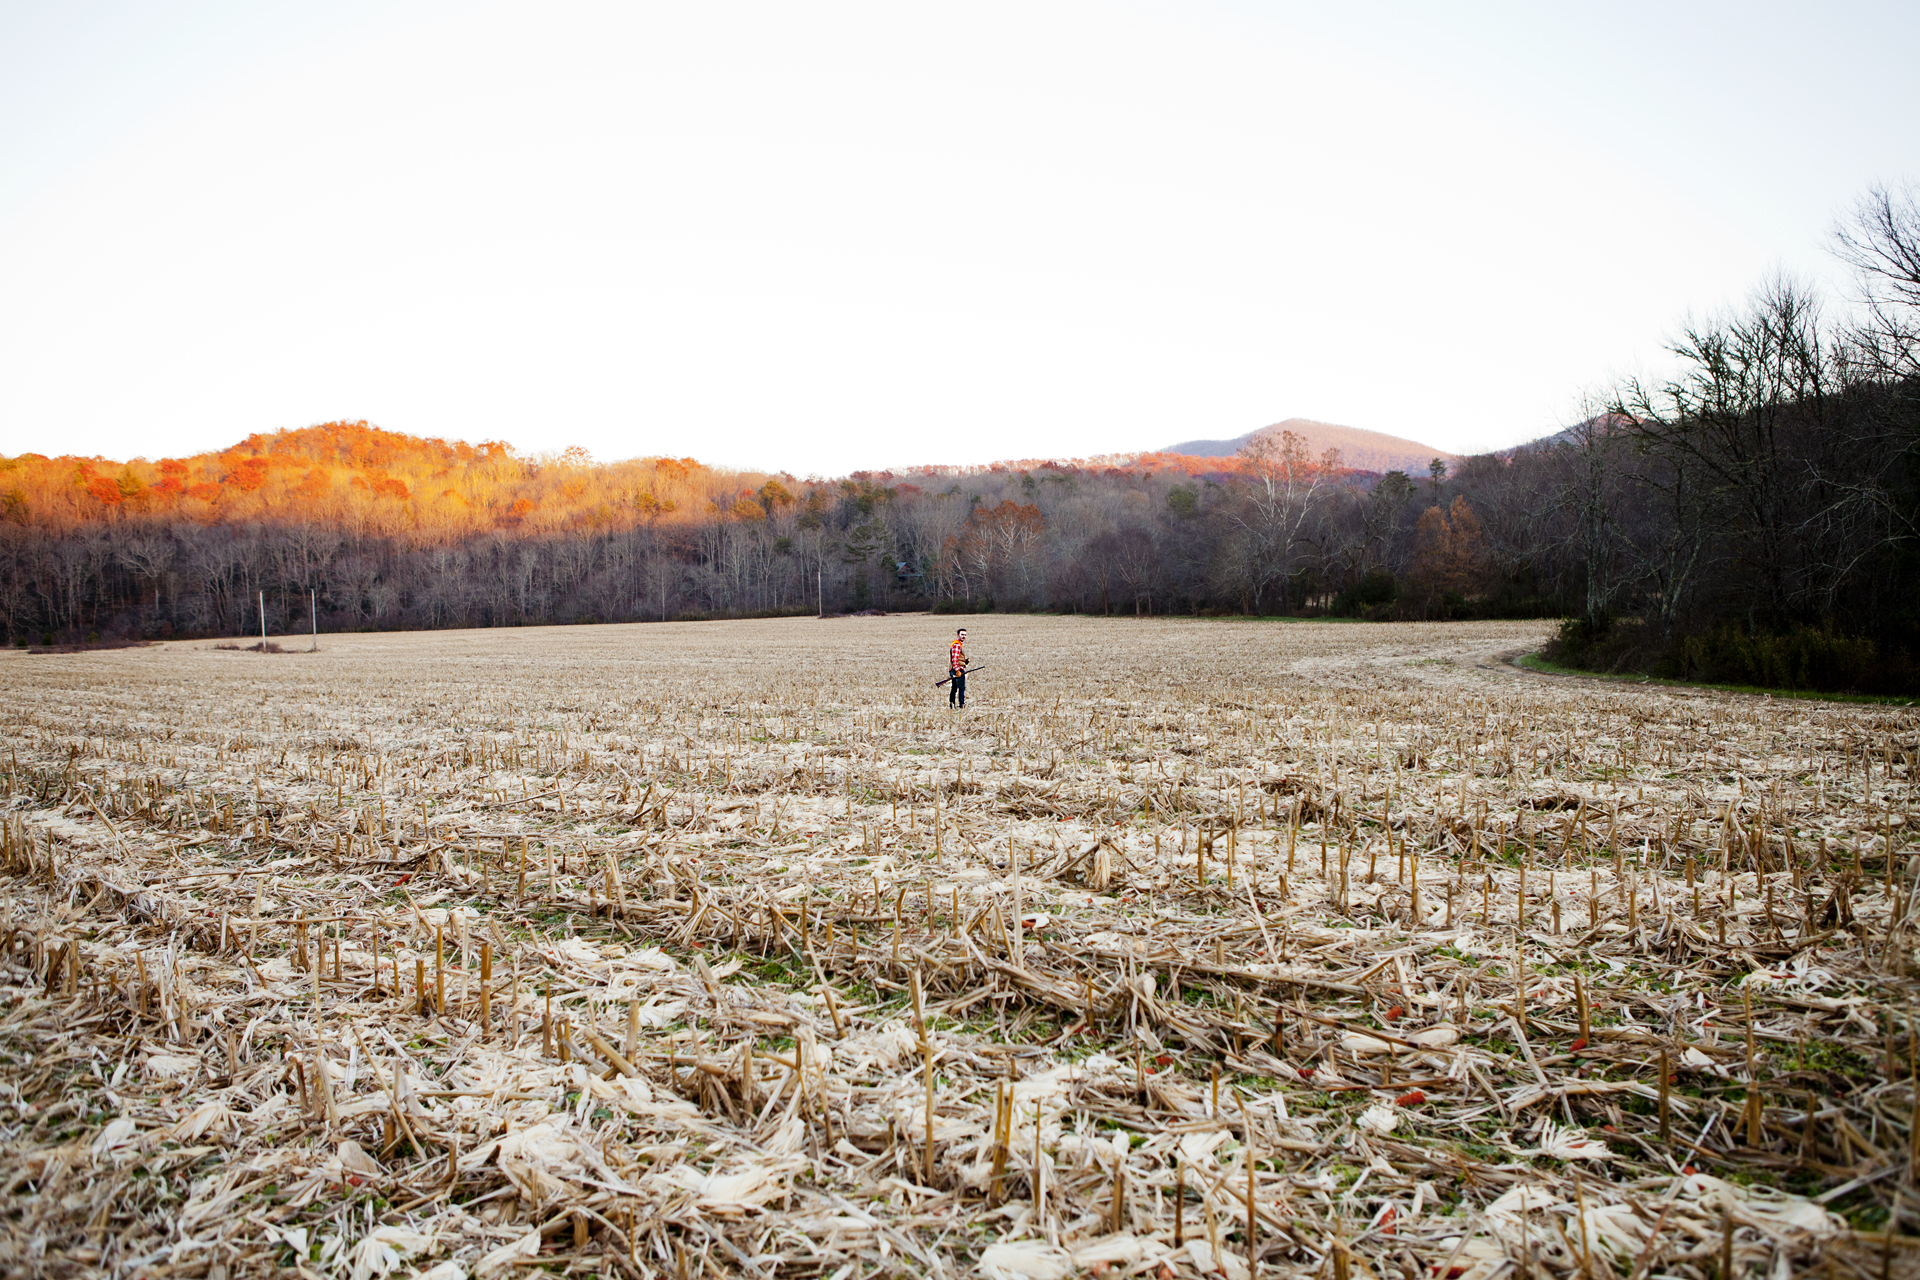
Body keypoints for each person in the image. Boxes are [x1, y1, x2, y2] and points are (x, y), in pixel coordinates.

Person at [948, 627, 969, 709]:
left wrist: (964, 662)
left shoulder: (956, 643)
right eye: (962, 634)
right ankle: (961, 704)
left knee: (954, 688)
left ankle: (952, 704)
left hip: (954, 668)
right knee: (961, 688)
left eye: (965, 635)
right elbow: (954, 659)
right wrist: (957, 670)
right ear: (958, 635)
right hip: (957, 669)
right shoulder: (957, 645)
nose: (964, 636)